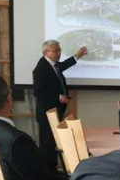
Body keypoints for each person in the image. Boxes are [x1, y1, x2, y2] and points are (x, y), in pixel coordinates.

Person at [33, 40, 88, 169]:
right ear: (46, 52)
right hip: (47, 113)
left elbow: (63, 65)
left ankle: (52, 170)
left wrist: (77, 56)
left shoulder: (54, 64)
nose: (58, 53)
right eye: (55, 51)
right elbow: (38, 91)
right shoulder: (41, 68)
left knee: (52, 142)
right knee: (47, 144)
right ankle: (47, 171)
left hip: (55, 111)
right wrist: (58, 97)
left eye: (59, 50)